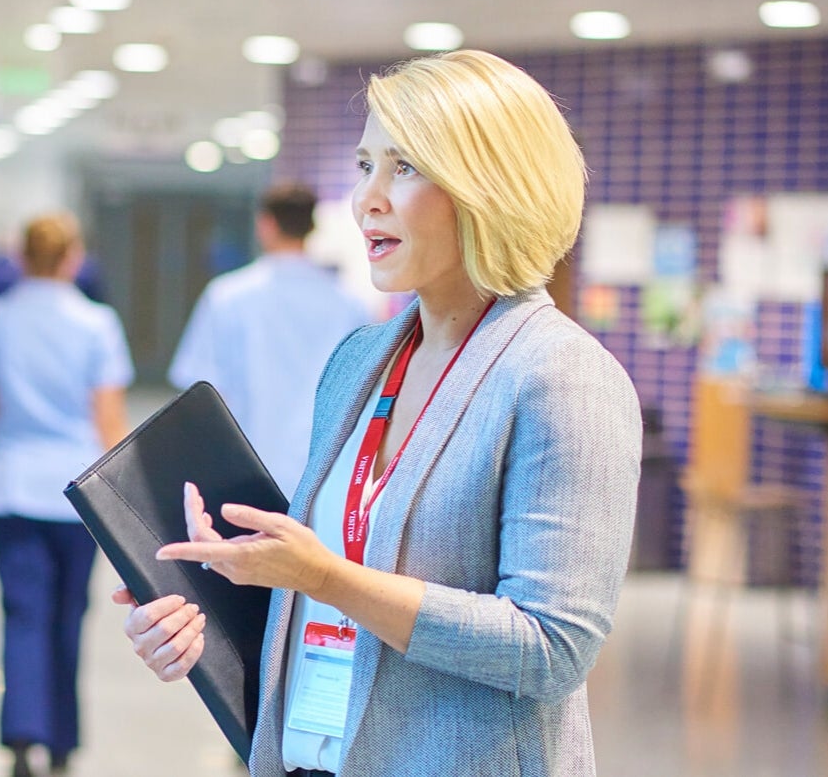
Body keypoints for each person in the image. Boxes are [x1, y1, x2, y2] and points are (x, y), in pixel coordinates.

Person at [115, 50, 640, 775]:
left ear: (490, 190)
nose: (368, 200)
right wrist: (209, 601)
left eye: (406, 168)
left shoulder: (561, 376)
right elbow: (332, 602)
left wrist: (326, 577)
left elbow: (550, 646)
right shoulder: (360, 361)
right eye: (365, 166)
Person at [0, 214, 132, 777]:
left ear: (21, 259)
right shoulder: (97, 324)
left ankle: (20, 737)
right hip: (75, 492)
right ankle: (62, 740)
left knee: (22, 612)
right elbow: (107, 416)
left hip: (11, 487)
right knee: (68, 613)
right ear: (73, 258)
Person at [167, 184, 370, 492]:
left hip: (243, 468)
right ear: (311, 227)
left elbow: (199, 389)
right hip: (324, 475)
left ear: (266, 225)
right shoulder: (351, 304)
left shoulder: (227, 296)